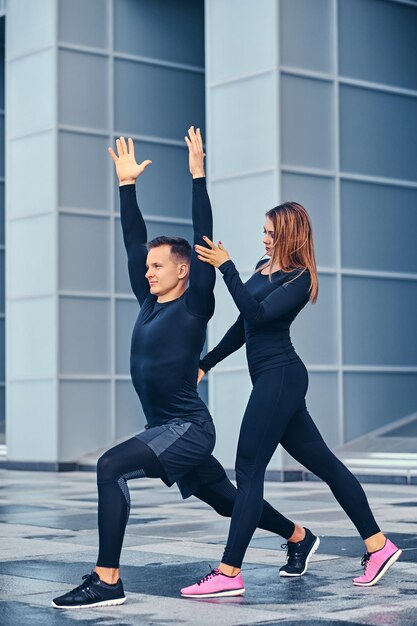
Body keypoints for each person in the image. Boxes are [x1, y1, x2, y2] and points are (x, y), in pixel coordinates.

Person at [52, 130, 317, 609]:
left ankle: (107, 579)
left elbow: (201, 236)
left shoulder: (197, 303)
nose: (148, 272)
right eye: (147, 267)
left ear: (183, 271)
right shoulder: (148, 300)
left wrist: (198, 177)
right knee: (224, 499)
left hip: (187, 427)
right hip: (167, 427)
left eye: (158, 266)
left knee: (110, 467)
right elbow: (133, 240)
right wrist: (126, 187)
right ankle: (298, 535)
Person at [181, 201, 402, 598]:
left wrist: (226, 267)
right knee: (326, 465)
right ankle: (377, 545)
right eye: (263, 231)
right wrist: (206, 364)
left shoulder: (299, 278)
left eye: (270, 232)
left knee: (248, 468)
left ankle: (230, 571)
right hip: (272, 380)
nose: (263, 238)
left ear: (288, 234)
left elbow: (260, 314)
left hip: (280, 378)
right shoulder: (263, 268)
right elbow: (243, 324)